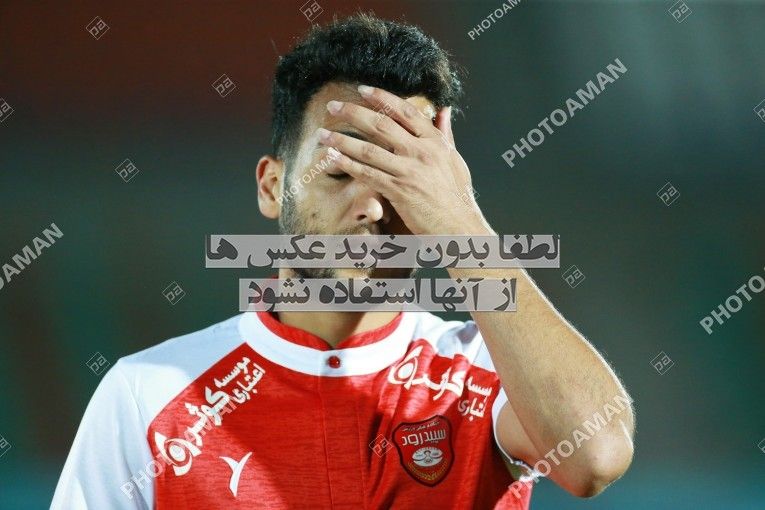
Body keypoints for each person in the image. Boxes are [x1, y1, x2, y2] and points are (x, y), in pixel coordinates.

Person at [52, 12, 634, 509]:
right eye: (338, 173)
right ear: (272, 186)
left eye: (403, 180)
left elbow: (596, 458)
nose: (373, 207)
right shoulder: (147, 394)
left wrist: (460, 219)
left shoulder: (485, 373)